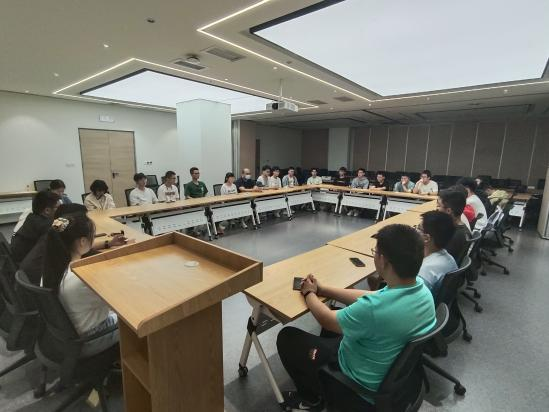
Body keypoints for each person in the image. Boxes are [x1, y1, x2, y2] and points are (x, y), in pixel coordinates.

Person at [276, 224, 435, 411]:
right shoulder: (420, 289)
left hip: (356, 382)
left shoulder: (374, 309)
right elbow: (371, 297)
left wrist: (309, 293)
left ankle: (310, 399)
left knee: (287, 337)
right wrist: (323, 289)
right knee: (337, 314)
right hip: (385, 367)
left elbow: (326, 319)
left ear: (383, 260)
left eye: (375, 252)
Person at [42, 215, 119, 357]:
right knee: (140, 317)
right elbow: (117, 302)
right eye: (92, 237)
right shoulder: (81, 278)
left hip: (69, 336)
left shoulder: (51, 269)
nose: (93, 240)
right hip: (91, 338)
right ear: (82, 241)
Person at [20, 203, 127, 285]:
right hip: (37, 281)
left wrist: (108, 243)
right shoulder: (77, 276)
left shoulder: (55, 237)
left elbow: (80, 246)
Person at [11, 190, 60, 264]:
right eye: (58, 207)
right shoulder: (45, 225)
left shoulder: (32, 218)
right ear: (47, 210)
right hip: (29, 265)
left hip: (18, 261)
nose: (60, 210)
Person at [417, 211, 458, 295]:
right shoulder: (449, 258)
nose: (415, 230)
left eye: (418, 228)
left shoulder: (424, 271)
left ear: (426, 238)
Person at [437, 189, 471, 264]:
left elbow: (439, 260)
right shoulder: (459, 228)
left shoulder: (455, 235)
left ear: (449, 211)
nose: (437, 209)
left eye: (439, 206)